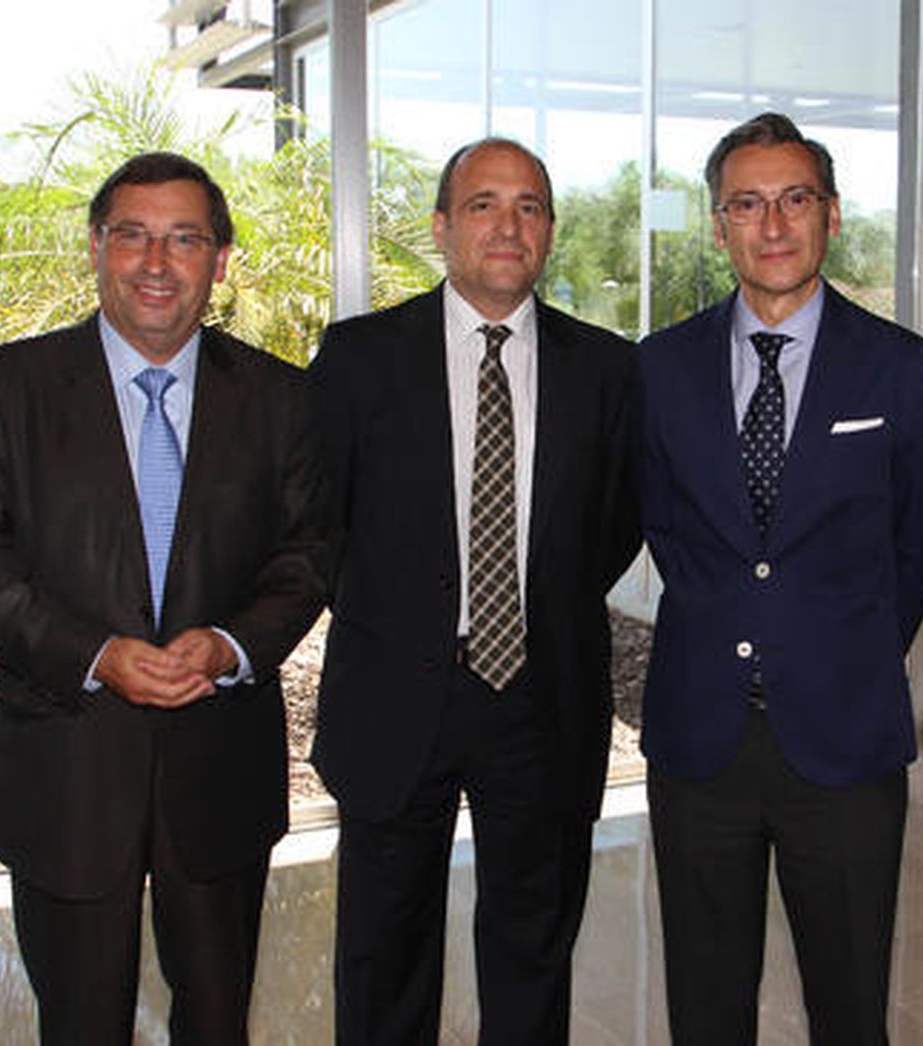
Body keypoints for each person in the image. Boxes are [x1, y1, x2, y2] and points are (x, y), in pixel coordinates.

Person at [0, 152, 329, 1044]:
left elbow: (308, 553)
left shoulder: (284, 399)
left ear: (220, 260)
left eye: (184, 239)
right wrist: (94, 654)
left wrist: (230, 644)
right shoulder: (4, 388)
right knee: (80, 1023)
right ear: (96, 246)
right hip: (64, 770)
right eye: (133, 235)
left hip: (219, 771)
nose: (156, 262)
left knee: (217, 1018)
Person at [635, 112, 923, 1044]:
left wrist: (844, 648)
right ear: (718, 225)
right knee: (705, 1006)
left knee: (850, 1007)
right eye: (746, 204)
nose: (772, 225)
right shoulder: (660, 368)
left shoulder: (899, 368)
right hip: (700, 740)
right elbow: (660, 522)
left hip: (846, 741)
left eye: (794, 200)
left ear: (832, 214)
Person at [310, 137, 638, 1044]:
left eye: (529, 207)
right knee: (383, 957)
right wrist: (397, 618)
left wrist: (536, 608)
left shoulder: (607, 371)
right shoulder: (360, 358)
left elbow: (614, 524)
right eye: (484, 204)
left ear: (550, 231)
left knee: (533, 953)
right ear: (442, 227)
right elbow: (320, 522)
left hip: (543, 697)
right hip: (394, 694)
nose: (508, 225)